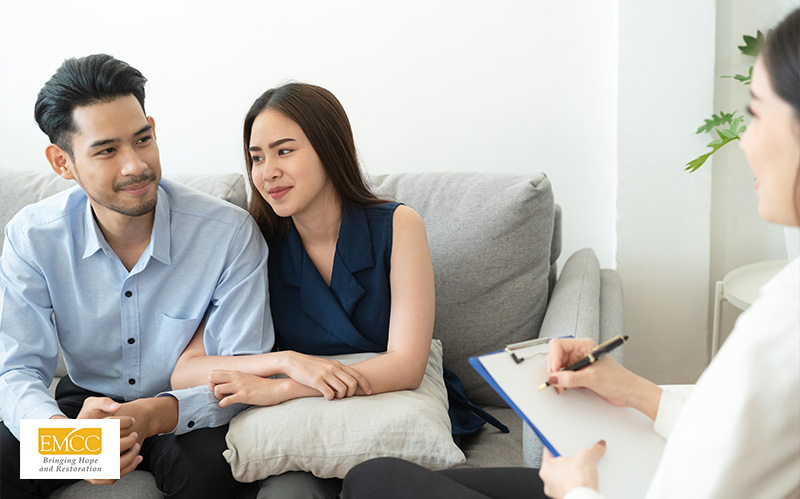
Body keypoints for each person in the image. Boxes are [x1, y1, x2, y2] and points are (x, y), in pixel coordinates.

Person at [342, 8, 800, 499]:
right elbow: (734, 435)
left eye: (756, 112)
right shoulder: (786, 303)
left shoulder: (784, 328)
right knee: (380, 478)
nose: (744, 141)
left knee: (374, 482)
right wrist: (634, 391)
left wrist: (576, 491)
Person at [0, 54, 274, 498]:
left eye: (142, 139)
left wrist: (154, 414)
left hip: (182, 412)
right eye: (107, 150)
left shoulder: (228, 233)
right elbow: (16, 369)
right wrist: (68, 443)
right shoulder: (33, 237)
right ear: (62, 162)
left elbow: (244, 370)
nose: (135, 166)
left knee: (213, 471)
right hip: (83, 403)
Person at [170, 82, 437, 497]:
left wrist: (283, 387)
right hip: (305, 428)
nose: (268, 172)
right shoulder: (254, 243)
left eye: (284, 151)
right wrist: (288, 362)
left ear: (329, 148)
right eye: (257, 158)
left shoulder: (398, 224)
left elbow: (406, 365)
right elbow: (186, 371)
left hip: (386, 412)